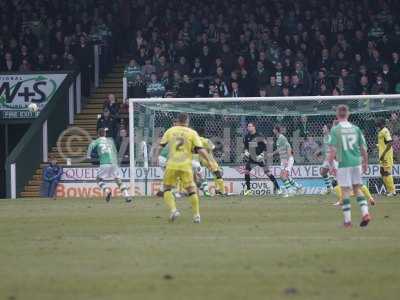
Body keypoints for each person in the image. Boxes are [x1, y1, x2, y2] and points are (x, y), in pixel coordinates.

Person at [155, 113, 212, 223]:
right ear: (187, 121)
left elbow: (160, 146)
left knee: (166, 188)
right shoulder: (192, 133)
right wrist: (209, 161)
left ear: (178, 121)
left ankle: (174, 210)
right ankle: (196, 215)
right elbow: (200, 149)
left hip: (171, 164)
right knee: (191, 190)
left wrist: (155, 157)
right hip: (186, 165)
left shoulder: (170, 131)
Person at [328, 105, 370, 228]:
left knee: (346, 191)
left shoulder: (335, 130)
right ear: (348, 114)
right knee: (357, 189)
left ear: (337, 115)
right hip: (356, 162)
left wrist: (331, 165)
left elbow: (332, 151)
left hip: (344, 163)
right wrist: (365, 162)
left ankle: (347, 221)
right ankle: (366, 213)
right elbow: (363, 148)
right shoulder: (356, 128)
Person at [87, 128, 133, 203]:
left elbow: (91, 146)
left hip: (104, 163)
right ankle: (127, 196)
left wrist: (88, 156)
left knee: (98, 179)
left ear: (98, 135)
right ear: (105, 134)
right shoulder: (110, 141)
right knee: (118, 180)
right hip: (114, 162)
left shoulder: (97, 141)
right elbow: (115, 151)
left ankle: (107, 191)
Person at [242, 123, 281, 196]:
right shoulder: (247, 137)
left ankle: (278, 188)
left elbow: (266, 146)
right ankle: (248, 190)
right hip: (252, 158)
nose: (249, 127)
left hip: (260, 158)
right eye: (248, 126)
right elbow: (246, 147)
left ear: (254, 127)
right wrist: (246, 152)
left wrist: (262, 155)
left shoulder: (259, 136)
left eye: (250, 126)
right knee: (246, 172)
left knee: (268, 173)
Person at [271, 125, 304, 197]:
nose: (273, 130)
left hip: (287, 159)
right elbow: (279, 149)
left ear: (276, 130)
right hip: (283, 159)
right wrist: (272, 154)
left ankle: (290, 191)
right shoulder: (278, 138)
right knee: (285, 176)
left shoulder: (282, 138)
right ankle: (298, 187)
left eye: (273, 129)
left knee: (283, 176)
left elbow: (288, 147)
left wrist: (287, 159)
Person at [376, 118, 396, 196]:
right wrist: (379, 146)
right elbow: (384, 143)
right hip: (382, 155)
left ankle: (392, 191)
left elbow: (390, 142)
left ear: (382, 123)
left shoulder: (385, 131)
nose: (376, 124)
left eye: (378, 122)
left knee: (387, 172)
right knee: (382, 171)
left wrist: (383, 154)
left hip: (386, 155)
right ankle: (389, 190)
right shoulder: (381, 131)